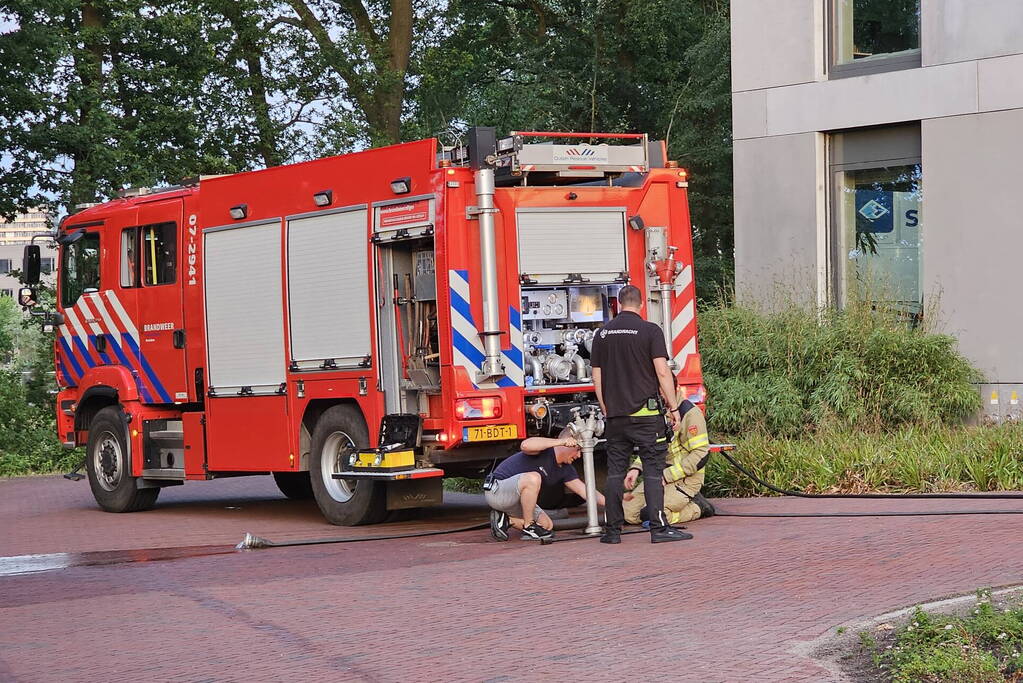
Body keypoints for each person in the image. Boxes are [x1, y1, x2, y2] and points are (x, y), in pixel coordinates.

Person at [590, 284, 691, 544]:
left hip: (616, 417)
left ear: (618, 303)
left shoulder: (602, 335)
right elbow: (661, 371)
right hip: (646, 416)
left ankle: (611, 532)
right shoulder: (650, 331)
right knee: (653, 470)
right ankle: (658, 529)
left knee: (614, 472)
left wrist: (605, 406)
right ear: (641, 304)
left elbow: (597, 376)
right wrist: (673, 406)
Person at [486, 429, 605, 542]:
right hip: (497, 491)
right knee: (533, 478)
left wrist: (613, 504)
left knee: (546, 526)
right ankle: (529, 526)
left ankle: (506, 520)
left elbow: (586, 491)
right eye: (578, 449)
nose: (579, 455)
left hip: (517, 499)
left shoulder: (566, 469)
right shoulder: (544, 449)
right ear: (567, 444)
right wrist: (561, 441)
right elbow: (525, 445)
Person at [623, 390, 715, 526]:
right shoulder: (657, 410)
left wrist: (667, 476)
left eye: (661, 391)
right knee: (628, 513)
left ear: (674, 389)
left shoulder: (690, 413)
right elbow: (651, 447)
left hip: (686, 480)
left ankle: (697, 507)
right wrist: (636, 468)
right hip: (660, 478)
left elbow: (701, 454)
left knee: (654, 513)